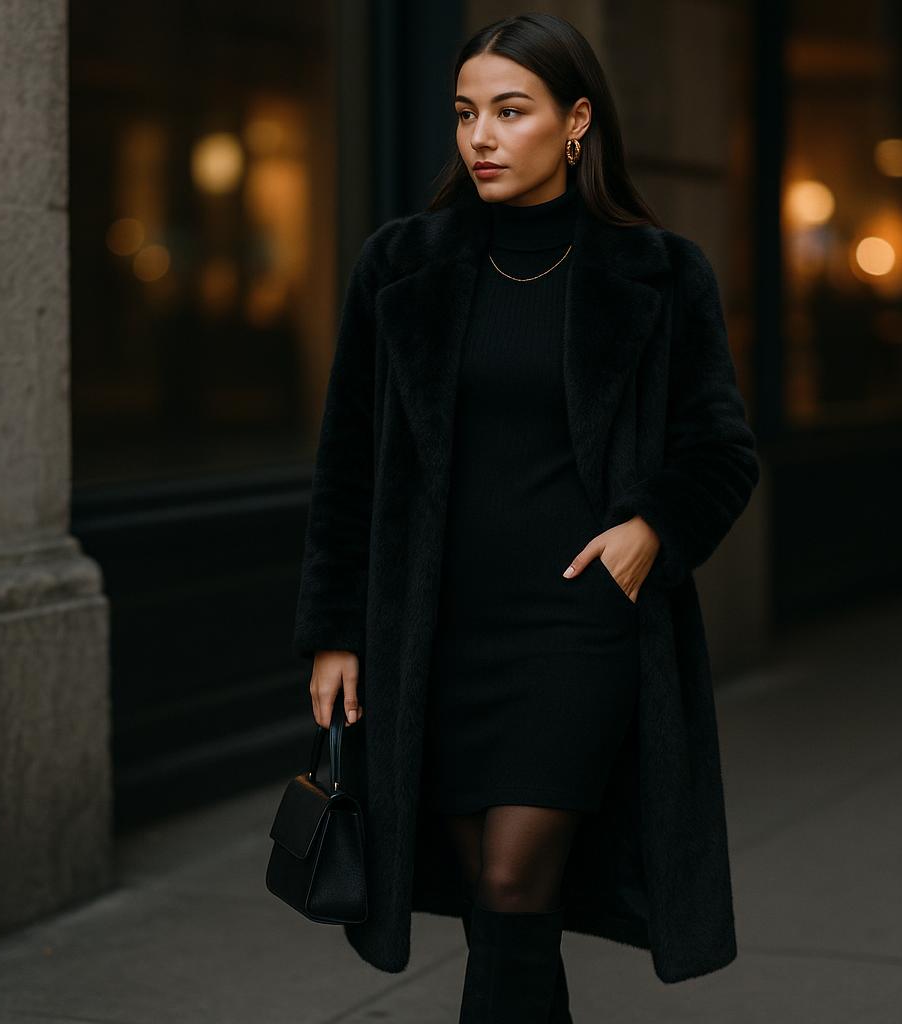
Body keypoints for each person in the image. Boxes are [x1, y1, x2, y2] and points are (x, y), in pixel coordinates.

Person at [299, 12, 760, 1021]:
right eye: (467, 113)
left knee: (513, 879)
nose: (482, 138)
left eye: (511, 111)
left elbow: (721, 450)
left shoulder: (660, 274)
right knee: (504, 911)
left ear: (577, 120)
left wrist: (651, 531)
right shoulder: (400, 268)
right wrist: (335, 631)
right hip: (437, 631)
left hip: (577, 627)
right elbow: (347, 465)